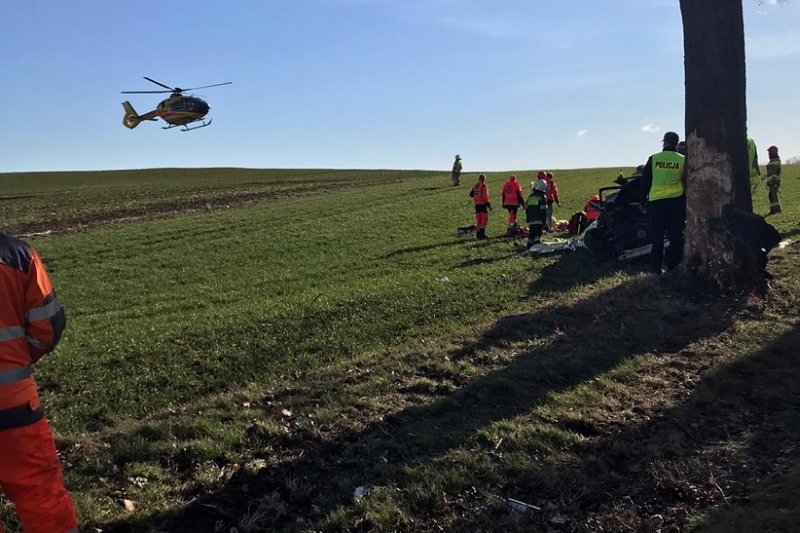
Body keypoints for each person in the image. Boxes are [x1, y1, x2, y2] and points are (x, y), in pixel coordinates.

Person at [0, 232, 79, 532]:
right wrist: (19, 360)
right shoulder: (18, 256)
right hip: (15, 406)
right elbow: (49, 327)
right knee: (42, 499)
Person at [639, 131, 687, 274]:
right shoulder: (683, 160)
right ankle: (673, 267)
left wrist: (642, 200)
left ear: (664, 143)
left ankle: (656, 269)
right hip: (676, 202)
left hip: (657, 203)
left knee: (657, 237)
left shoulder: (654, 158)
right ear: (677, 144)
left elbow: (645, 182)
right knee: (675, 237)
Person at [525, 179, 548, 249]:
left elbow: (527, 208)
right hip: (539, 219)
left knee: (531, 234)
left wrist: (528, 218)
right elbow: (543, 210)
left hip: (531, 219)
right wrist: (544, 220)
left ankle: (529, 246)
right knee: (537, 234)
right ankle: (537, 248)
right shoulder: (542, 197)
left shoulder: (531, 196)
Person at [469, 174, 491, 239]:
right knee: (484, 219)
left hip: (477, 205)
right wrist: (488, 204)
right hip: (482, 205)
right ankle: (482, 234)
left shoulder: (476, 186)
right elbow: (485, 197)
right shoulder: (483, 186)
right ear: (484, 179)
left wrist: (476, 197)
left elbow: (471, 194)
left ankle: (478, 235)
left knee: (479, 220)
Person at [765, 145, 782, 215]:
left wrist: (772, 181)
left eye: (769, 152)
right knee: (771, 196)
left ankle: (777, 210)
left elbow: (774, 173)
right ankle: (773, 210)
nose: (768, 154)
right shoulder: (773, 161)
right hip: (772, 182)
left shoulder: (775, 161)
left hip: (774, 182)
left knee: (773, 196)